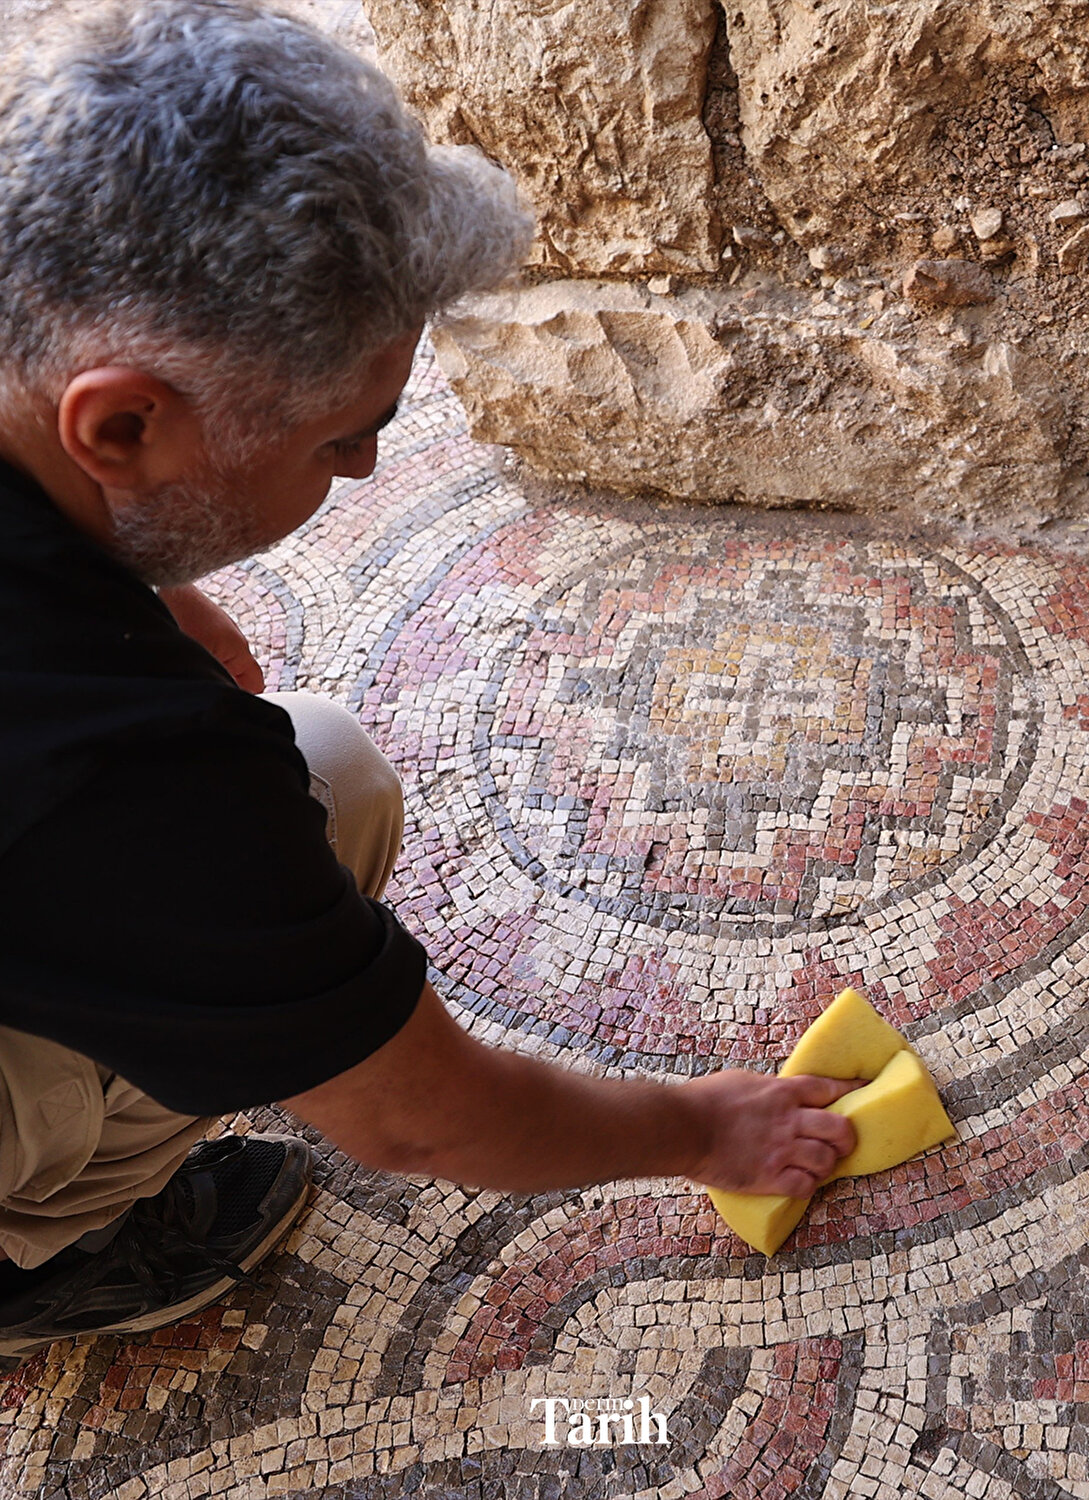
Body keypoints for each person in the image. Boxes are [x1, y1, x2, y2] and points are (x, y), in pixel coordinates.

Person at [0, 0, 862, 1363]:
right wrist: (708, 1129)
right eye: (348, 437)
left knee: (318, 767)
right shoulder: (129, 778)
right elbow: (422, 1114)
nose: (363, 477)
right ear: (119, 425)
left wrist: (146, 579)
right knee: (325, 788)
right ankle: (34, 1258)